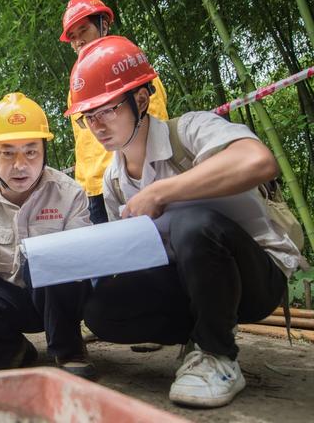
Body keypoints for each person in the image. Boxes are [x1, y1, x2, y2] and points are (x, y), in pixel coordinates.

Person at [65, 36, 307, 407]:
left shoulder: (190, 130)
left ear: (140, 100)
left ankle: (218, 355)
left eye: (108, 109)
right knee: (102, 310)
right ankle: (199, 337)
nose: (97, 125)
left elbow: (257, 162)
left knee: (191, 222)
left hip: (256, 277)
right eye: (88, 116)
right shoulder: (114, 180)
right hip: (191, 281)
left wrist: (163, 192)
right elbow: (134, 259)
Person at [0, 93, 95, 378]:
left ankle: (69, 349)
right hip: (9, 300)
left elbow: (81, 259)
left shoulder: (69, 193)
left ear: (45, 151)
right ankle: (12, 352)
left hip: (62, 298)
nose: (20, 164)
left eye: (31, 151)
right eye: (7, 152)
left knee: (48, 256)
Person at [60, 0, 169, 224]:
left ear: (103, 25)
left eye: (83, 30)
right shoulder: (77, 81)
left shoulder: (128, 64)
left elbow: (153, 120)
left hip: (132, 179)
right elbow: (83, 140)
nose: (78, 41)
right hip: (93, 188)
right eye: (72, 37)